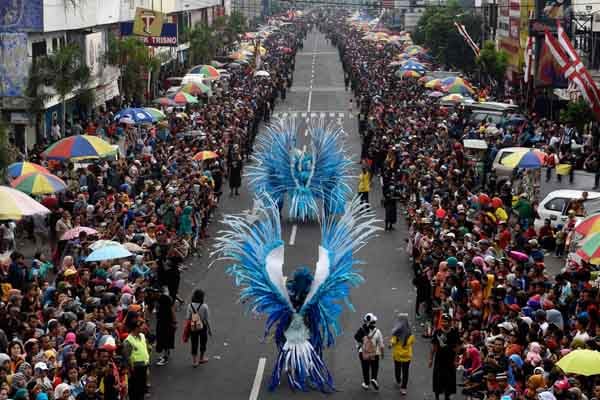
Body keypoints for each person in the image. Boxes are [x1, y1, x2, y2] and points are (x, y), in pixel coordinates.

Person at [429, 314, 459, 400]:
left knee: (449, 379)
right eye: (442, 321)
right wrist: (431, 359)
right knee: (438, 378)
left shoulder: (454, 332)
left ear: (450, 323)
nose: (443, 323)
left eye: (445, 321)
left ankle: (447, 395)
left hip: (450, 360)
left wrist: (456, 360)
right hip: (439, 359)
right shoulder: (437, 332)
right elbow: (434, 346)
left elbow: (456, 347)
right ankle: (437, 396)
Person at [354, 313, 384, 391]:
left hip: (363, 353)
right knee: (375, 367)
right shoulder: (377, 331)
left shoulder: (361, 330)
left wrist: (359, 347)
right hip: (375, 353)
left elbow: (357, 342)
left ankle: (366, 383)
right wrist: (382, 354)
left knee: (365, 368)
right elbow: (381, 345)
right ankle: (374, 378)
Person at [123, 316, 149, 400]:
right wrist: (129, 372)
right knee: (135, 391)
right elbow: (126, 358)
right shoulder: (128, 341)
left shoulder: (142, 336)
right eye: (141, 326)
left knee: (141, 390)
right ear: (136, 328)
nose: (143, 327)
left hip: (144, 367)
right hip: (135, 370)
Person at [390, 313, 414, 395]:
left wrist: (391, 344)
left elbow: (392, 342)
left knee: (397, 368)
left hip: (397, 355)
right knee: (405, 372)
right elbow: (412, 342)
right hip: (407, 356)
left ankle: (398, 379)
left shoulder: (396, 332)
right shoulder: (410, 333)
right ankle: (403, 388)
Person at [186, 288, 211, 367]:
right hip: (202, 327)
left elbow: (188, 318)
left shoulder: (190, 306)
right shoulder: (204, 306)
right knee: (203, 342)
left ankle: (194, 361)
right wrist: (209, 329)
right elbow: (207, 319)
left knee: (194, 343)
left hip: (193, 327)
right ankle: (201, 358)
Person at [155, 286, 176, 366]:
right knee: (162, 338)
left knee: (166, 339)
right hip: (161, 321)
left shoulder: (166, 299)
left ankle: (165, 357)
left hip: (167, 323)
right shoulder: (159, 299)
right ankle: (165, 355)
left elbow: (172, 310)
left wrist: (174, 322)